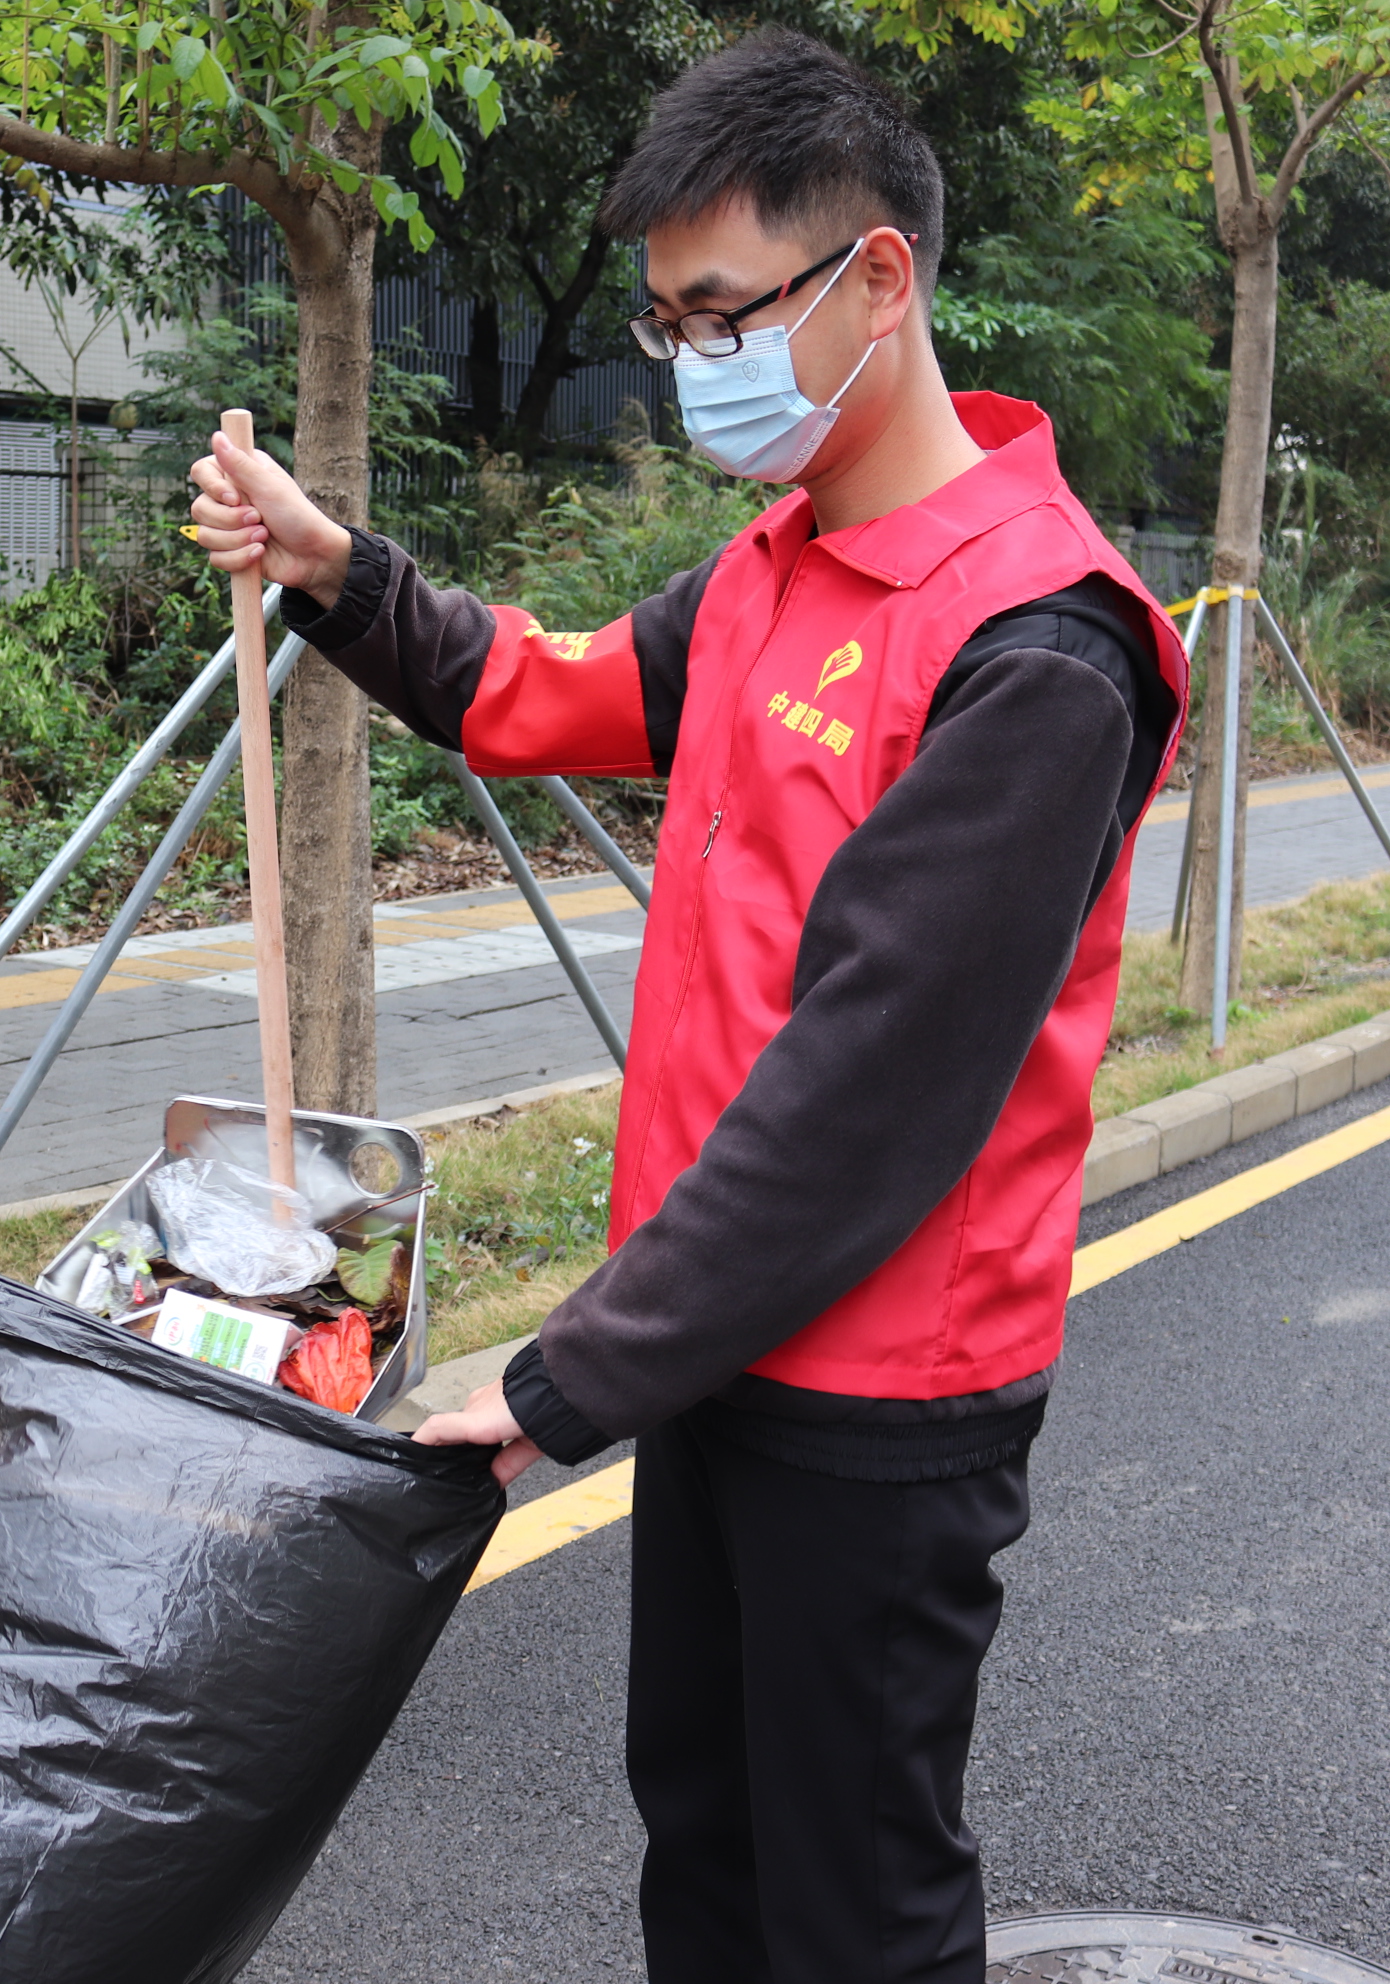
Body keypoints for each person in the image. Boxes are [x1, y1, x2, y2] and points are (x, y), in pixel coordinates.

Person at [192, 32, 1187, 1983]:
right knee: (708, 1846)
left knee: (852, 1903)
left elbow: (862, 1100)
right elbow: (548, 685)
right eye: (666, 324)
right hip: (718, 1349)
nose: (694, 361)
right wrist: (337, 573)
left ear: (878, 281)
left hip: (883, 1395)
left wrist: (559, 1375)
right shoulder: (776, 565)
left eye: (722, 310)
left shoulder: (1038, 643)